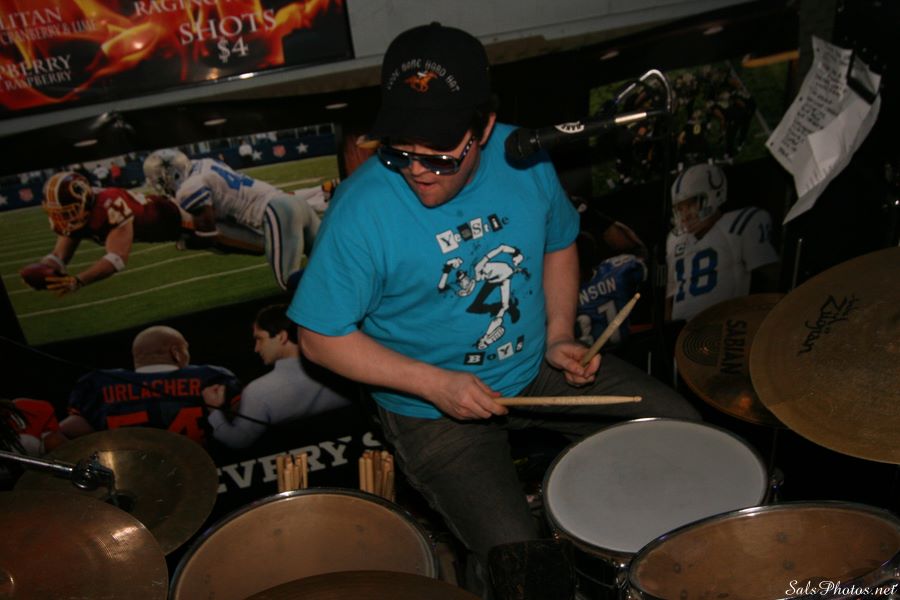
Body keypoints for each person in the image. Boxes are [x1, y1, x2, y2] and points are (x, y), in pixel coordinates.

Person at [288, 23, 699, 593]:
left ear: (484, 127)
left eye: (440, 156)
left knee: (687, 436)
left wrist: (560, 334)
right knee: (525, 570)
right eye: (401, 152)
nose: (417, 171)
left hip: (536, 369)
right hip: (432, 409)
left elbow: (559, 242)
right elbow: (318, 338)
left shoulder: (523, 158)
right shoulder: (361, 211)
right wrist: (434, 385)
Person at [142, 149, 325, 290]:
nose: (159, 185)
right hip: (295, 202)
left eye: (160, 180)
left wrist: (187, 241)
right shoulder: (205, 163)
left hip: (275, 211)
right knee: (327, 261)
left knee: (288, 280)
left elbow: (209, 232)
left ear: (171, 175)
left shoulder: (189, 189)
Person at [202, 304, 354, 449]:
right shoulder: (342, 365)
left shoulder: (259, 391)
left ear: (282, 337)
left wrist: (214, 410)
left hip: (293, 461)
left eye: (260, 339)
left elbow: (238, 441)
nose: (256, 348)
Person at [59, 325, 241, 446]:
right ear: (176, 352)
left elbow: (65, 432)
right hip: (202, 467)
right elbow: (242, 418)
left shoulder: (100, 385)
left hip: (137, 474)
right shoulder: (210, 378)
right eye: (185, 348)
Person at [27, 171, 187, 295]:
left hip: (179, 216)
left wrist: (78, 281)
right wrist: (45, 272)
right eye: (58, 214)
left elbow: (116, 258)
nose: (64, 220)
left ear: (85, 200)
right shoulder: (78, 215)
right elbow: (58, 256)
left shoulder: (108, 205)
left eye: (69, 213)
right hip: (161, 229)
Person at [665, 162, 780, 322]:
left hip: (725, 324)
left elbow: (771, 277)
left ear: (715, 194)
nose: (685, 215)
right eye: (680, 208)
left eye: (691, 204)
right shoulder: (674, 240)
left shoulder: (741, 225)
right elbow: (671, 295)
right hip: (683, 329)